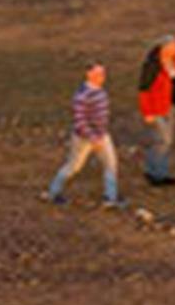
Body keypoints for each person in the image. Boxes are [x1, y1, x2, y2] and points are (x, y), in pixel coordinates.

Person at [45, 63, 121, 206]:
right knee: (74, 166)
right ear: (89, 74)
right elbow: (80, 121)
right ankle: (53, 192)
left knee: (111, 164)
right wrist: (93, 138)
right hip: (84, 138)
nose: (102, 77)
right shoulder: (82, 95)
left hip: (102, 134)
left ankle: (111, 198)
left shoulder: (100, 91)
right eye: (98, 74)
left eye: (103, 73)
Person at [137, 35, 175, 186]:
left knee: (167, 141)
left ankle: (161, 172)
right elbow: (144, 90)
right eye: (173, 48)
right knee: (162, 139)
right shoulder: (152, 65)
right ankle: (154, 173)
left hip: (170, 106)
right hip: (156, 107)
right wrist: (147, 112)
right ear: (164, 48)